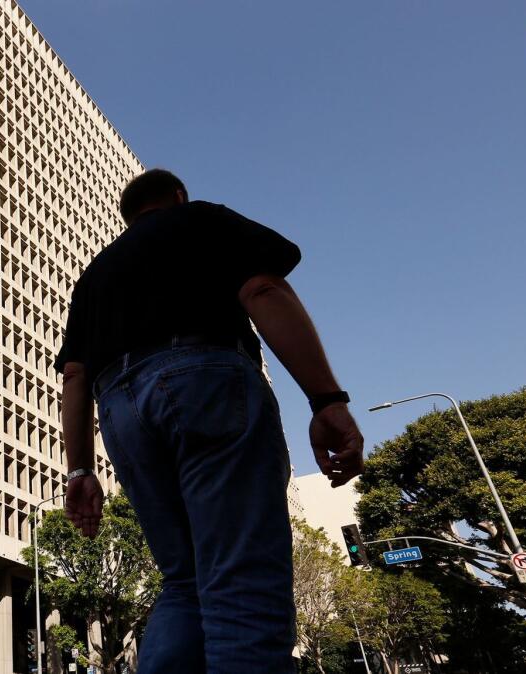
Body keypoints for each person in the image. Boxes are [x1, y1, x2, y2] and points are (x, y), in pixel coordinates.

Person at [56, 170, 363, 673]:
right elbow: (263, 288)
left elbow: (73, 376)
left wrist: (80, 471)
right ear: (178, 197)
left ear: (127, 215)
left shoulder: (94, 274)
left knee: (183, 582)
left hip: (119, 409)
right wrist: (326, 399)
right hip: (204, 379)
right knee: (240, 579)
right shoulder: (200, 219)